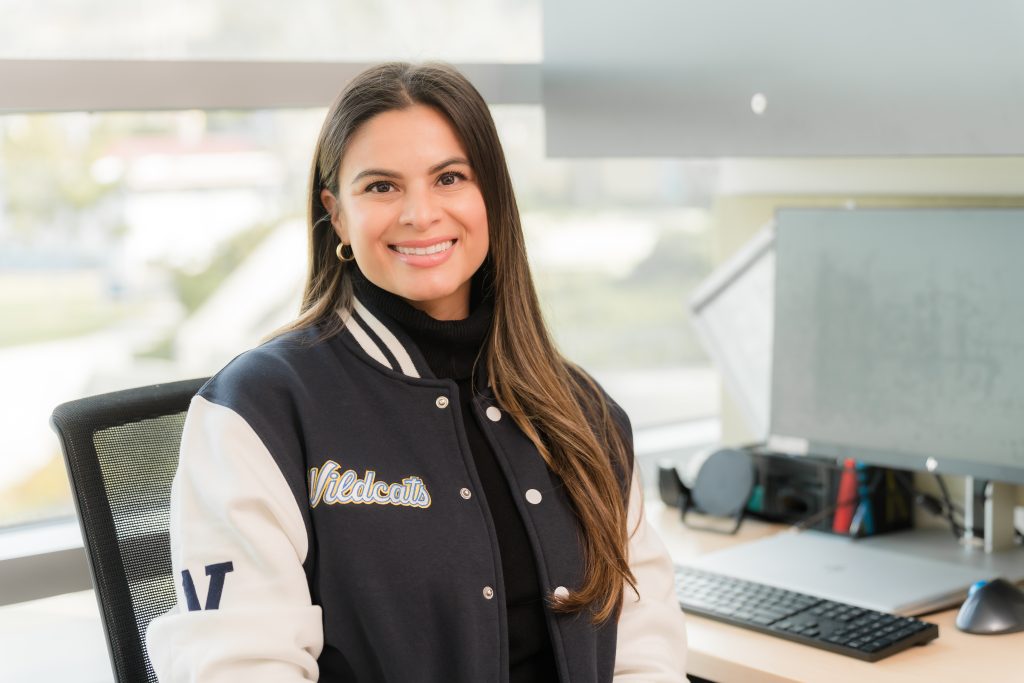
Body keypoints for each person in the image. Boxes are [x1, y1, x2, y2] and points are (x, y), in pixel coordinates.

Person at [146, 61, 687, 682]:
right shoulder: (260, 408)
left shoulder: (582, 410)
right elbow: (237, 667)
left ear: (492, 198)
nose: (420, 214)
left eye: (449, 178)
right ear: (338, 215)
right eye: (381, 187)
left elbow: (645, 647)